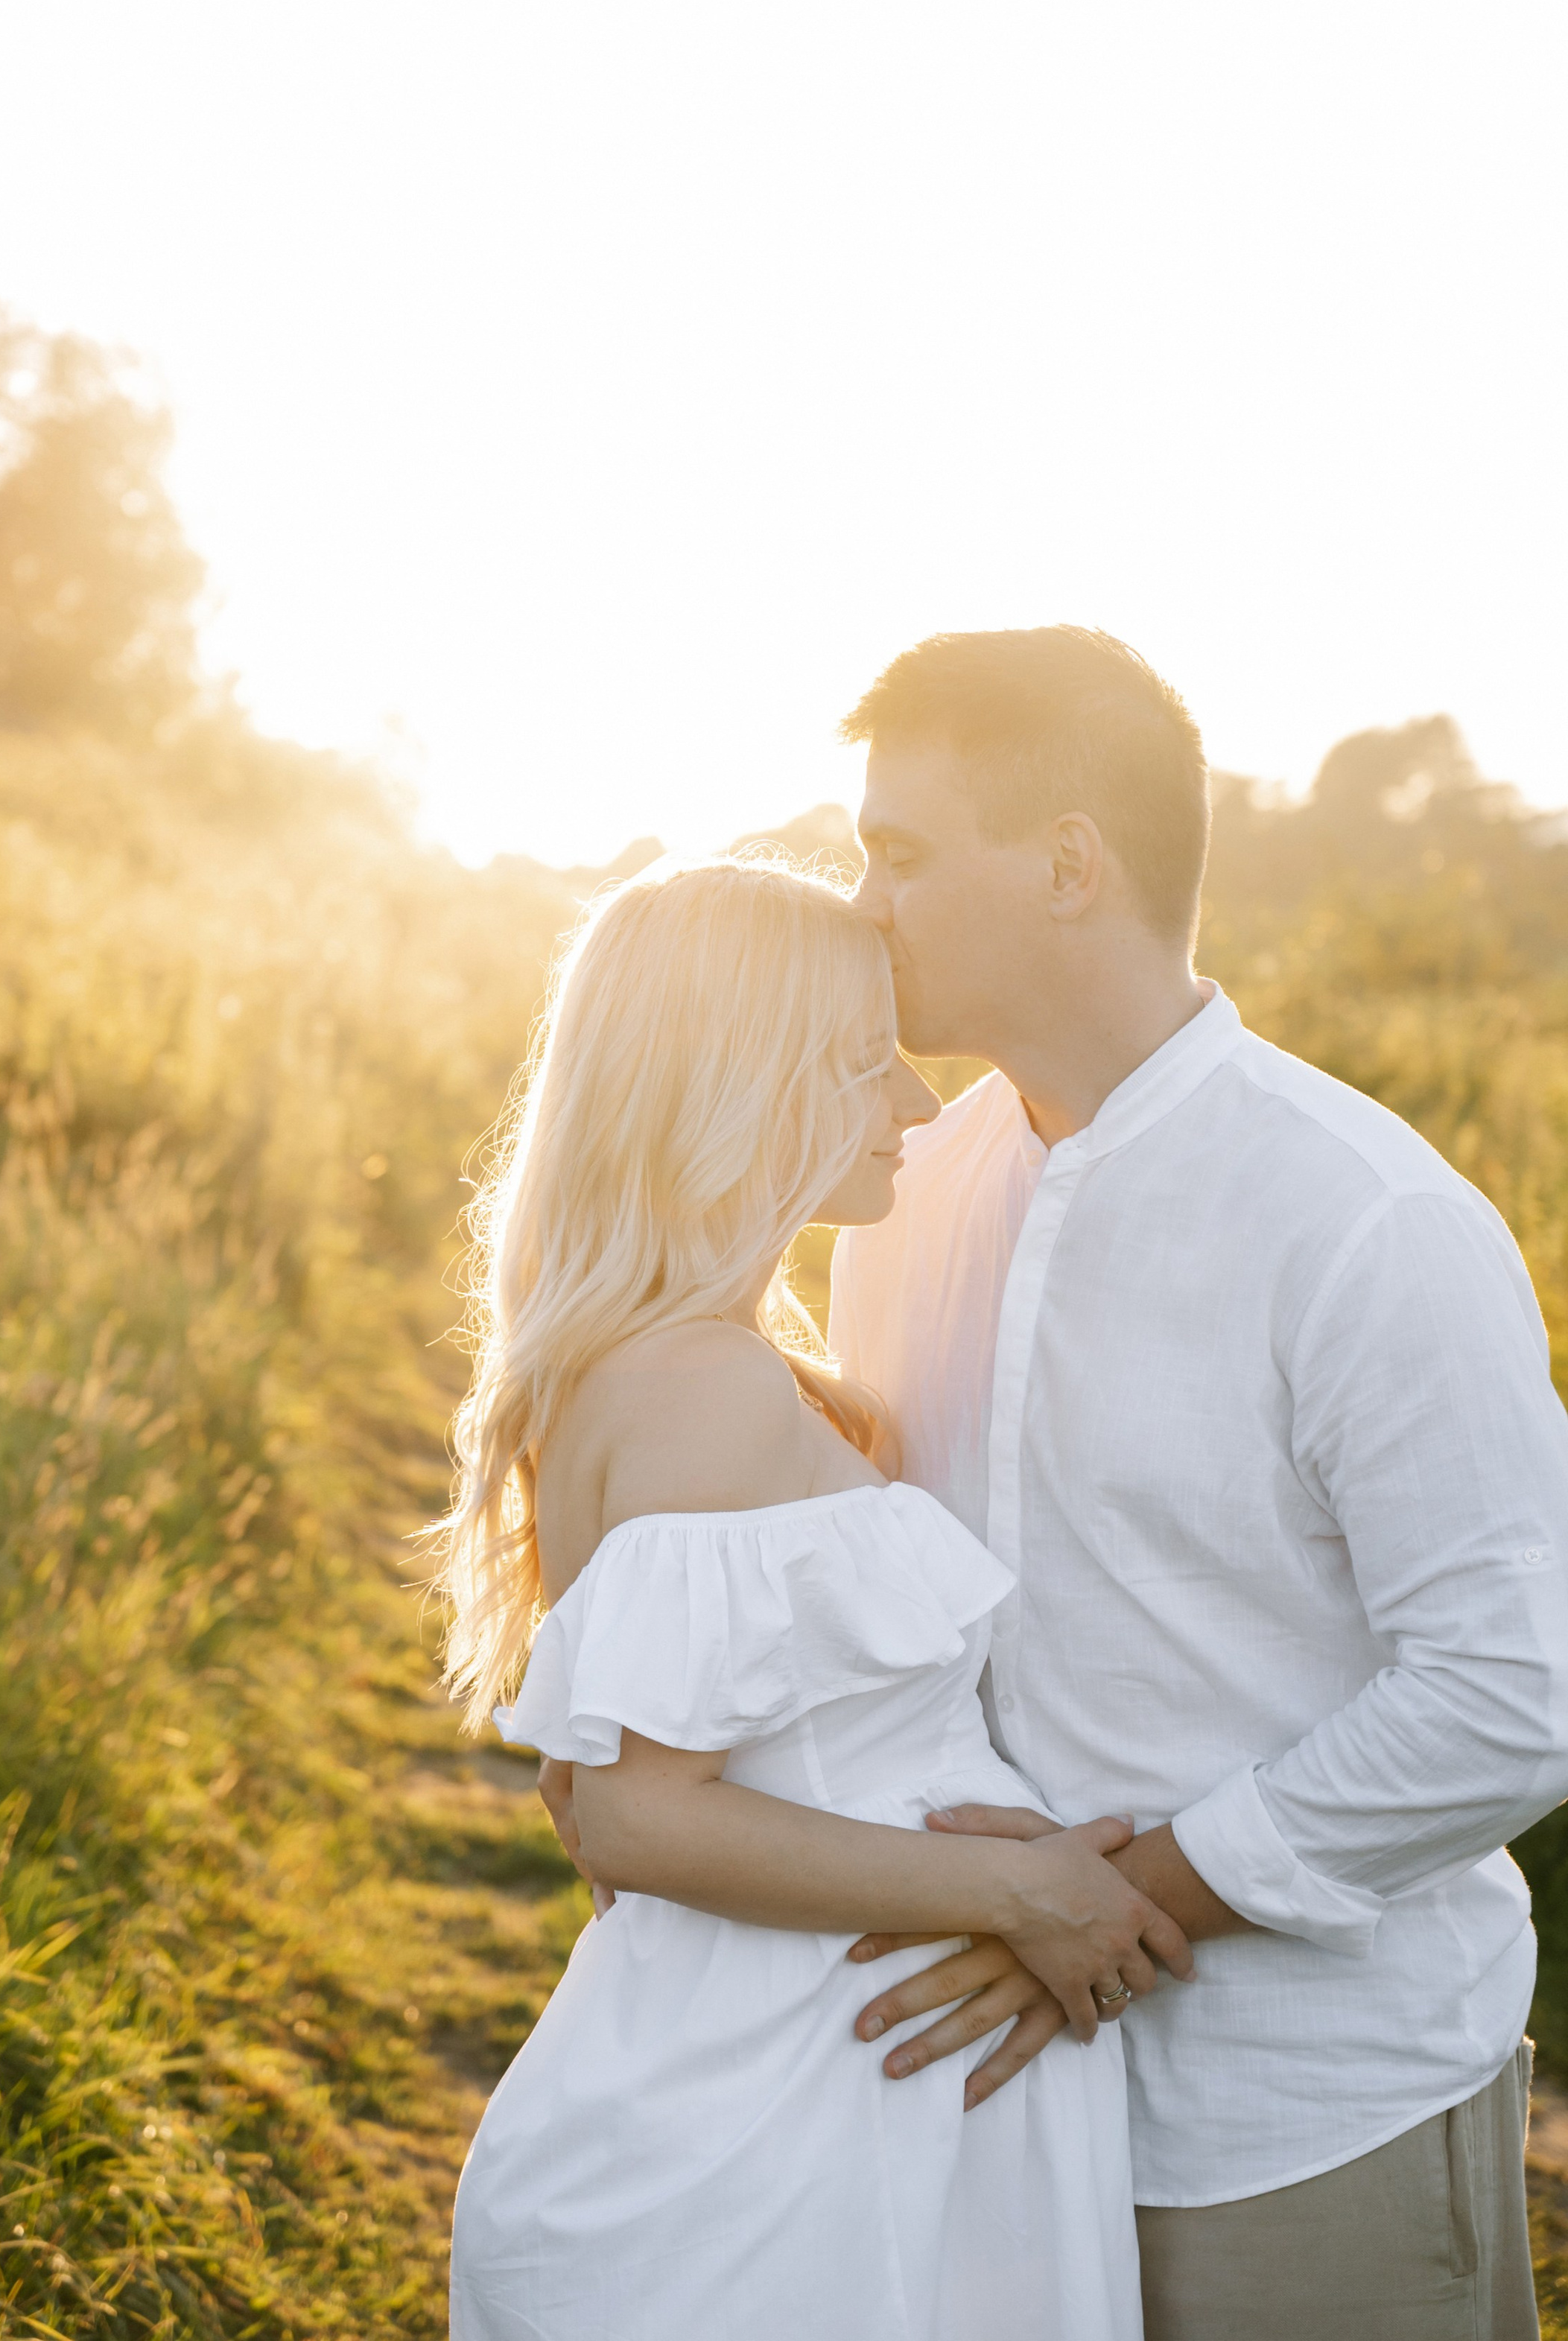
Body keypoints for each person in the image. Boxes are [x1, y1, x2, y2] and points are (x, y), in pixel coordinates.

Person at [826, 624, 1568, 2341]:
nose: (861, 900)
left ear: (1068, 863)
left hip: (1296, 2124)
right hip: (968, 2115)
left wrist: (1119, 1891)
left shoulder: (1363, 1221)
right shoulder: (903, 1192)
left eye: (902, 850)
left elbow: (1514, 1690)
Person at [437, 855, 1181, 2341]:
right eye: (859, 1064)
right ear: (737, 1088)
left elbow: (597, 1798)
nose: (913, 1103)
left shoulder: (694, 1365)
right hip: (774, 2128)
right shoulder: (694, 1382)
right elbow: (633, 1812)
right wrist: (1019, 1886)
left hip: (836, 2082)